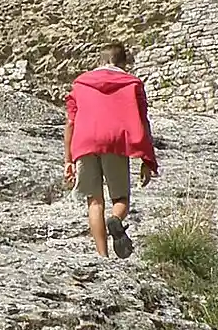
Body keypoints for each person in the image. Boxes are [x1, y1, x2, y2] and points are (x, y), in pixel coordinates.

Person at [63, 42, 158, 258]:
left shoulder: (80, 84)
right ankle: (115, 220)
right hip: (115, 142)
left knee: (94, 201)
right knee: (121, 198)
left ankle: (102, 256)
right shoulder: (132, 83)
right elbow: (143, 121)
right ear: (123, 63)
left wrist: (68, 160)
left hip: (84, 142)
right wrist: (147, 159)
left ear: (100, 61)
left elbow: (70, 123)